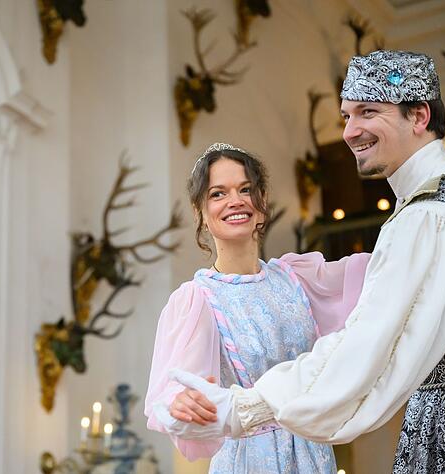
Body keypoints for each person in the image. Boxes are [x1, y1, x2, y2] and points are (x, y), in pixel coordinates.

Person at [154, 50, 445, 473]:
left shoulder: (427, 216)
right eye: (346, 116)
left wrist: (244, 407)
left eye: (368, 112)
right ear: (200, 212)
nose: (349, 131)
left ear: (419, 116)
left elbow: (366, 345)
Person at [144, 142, 370, 473]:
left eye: (245, 189)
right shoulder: (198, 299)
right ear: (200, 213)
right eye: (218, 194)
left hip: (313, 453)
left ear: (261, 203)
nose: (235, 200)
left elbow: (377, 272)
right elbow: (174, 388)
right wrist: (181, 402)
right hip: (248, 459)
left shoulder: (297, 278)